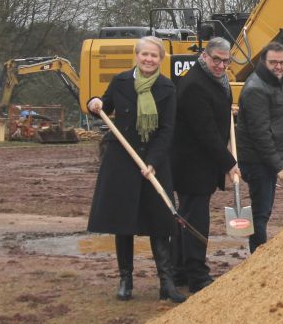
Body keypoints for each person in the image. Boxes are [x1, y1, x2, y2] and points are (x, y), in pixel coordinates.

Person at [87, 36, 186, 303]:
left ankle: (166, 284)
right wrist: (94, 103)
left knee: (160, 222)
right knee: (124, 221)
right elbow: (104, 106)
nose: (149, 60)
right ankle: (125, 280)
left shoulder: (167, 87)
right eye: (145, 55)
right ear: (137, 55)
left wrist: (153, 161)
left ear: (160, 59)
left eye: (154, 56)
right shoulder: (120, 82)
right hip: (122, 160)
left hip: (154, 161)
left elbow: (167, 130)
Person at [170, 37, 240, 293]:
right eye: (217, 60)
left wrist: (226, 112)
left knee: (185, 217)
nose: (221, 65)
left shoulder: (218, 81)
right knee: (195, 220)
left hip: (201, 164)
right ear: (205, 57)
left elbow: (215, 117)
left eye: (226, 61)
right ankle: (197, 275)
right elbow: (205, 132)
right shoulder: (194, 85)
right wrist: (229, 163)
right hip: (191, 164)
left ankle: (179, 272)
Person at [235, 42, 283, 253]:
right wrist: (277, 165)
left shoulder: (273, 83)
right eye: (273, 62)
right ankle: (257, 255)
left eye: (282, 62)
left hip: (265, 160)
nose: (278, 67)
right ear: (263, 62)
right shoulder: (256, 89)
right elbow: (260, 134)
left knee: (263, 211)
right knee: (260, 212)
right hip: (257, 161)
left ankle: (257, 253)